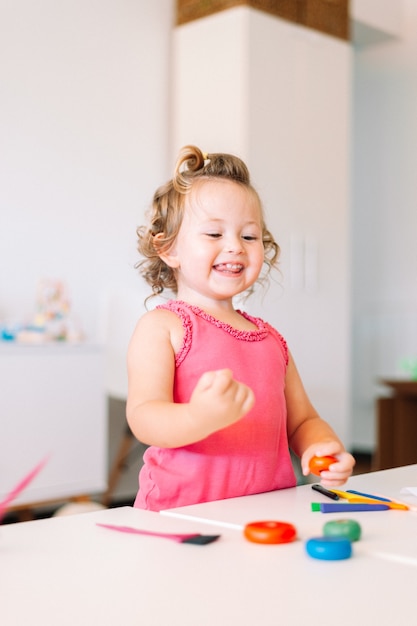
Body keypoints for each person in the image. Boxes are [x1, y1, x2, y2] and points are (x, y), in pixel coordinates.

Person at [126, 145, 355, 511]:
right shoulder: (163, 327)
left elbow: (302, 422)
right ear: (169, 249)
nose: (235, 247)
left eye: (249, 236)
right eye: (214, 235)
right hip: (178, 515)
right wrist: (197, 417)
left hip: (265, 513)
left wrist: (321, 447)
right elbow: (144, 416)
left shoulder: (271, 340)